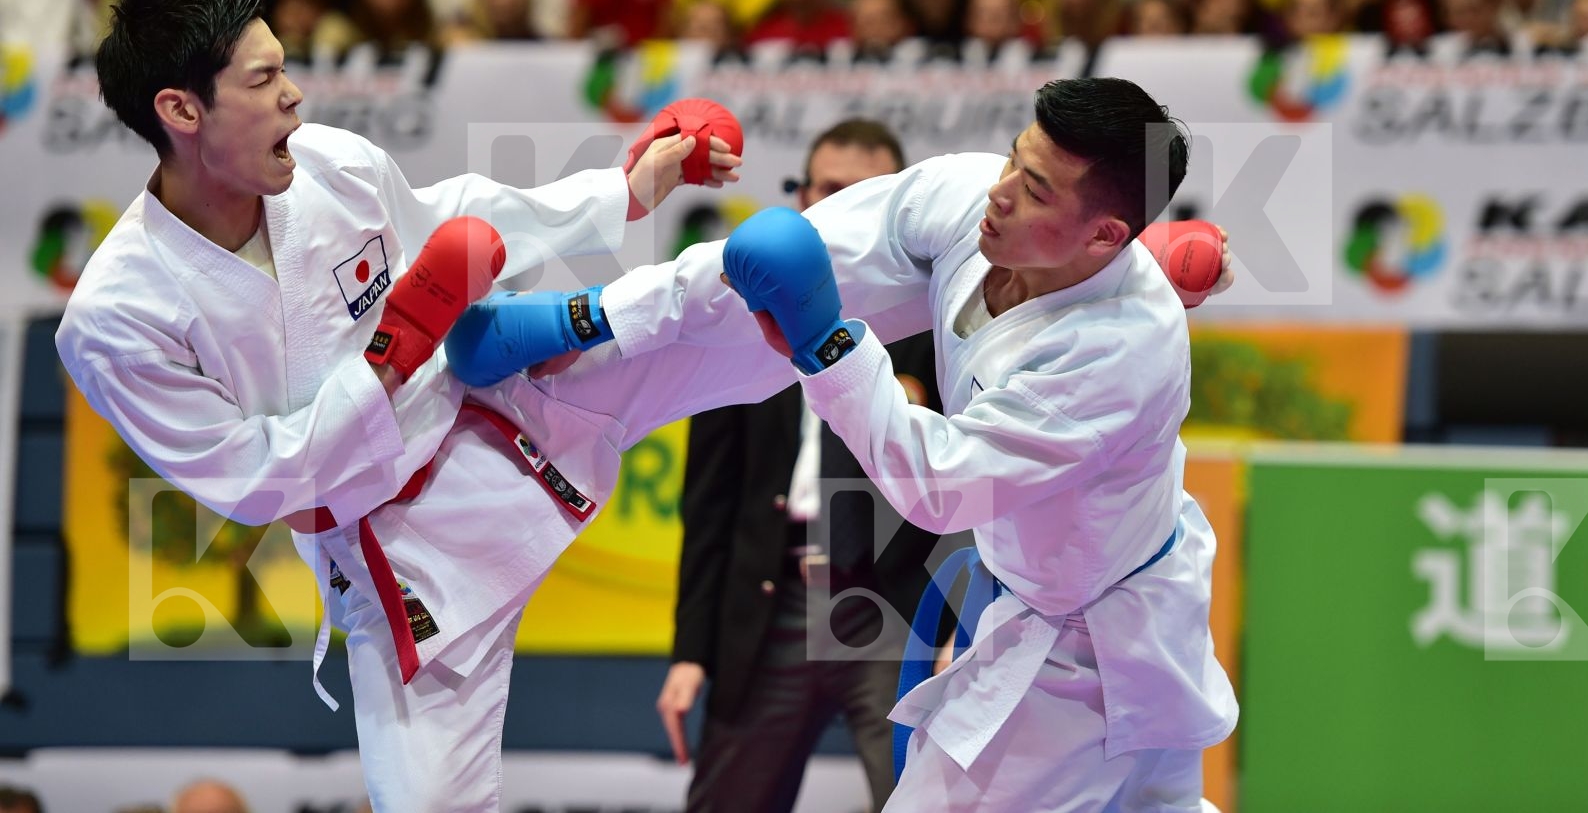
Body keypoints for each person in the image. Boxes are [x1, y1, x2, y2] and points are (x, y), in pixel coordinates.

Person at [53, 0, 743, 813]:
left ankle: (904, 231)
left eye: (284, 69)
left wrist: (620, 193)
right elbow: (252, 480)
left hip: (497, 415)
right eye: (263, 80)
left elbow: (456, 214)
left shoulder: (331, 166)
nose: (295, 96)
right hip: (395, 552)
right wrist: (392, 352)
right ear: (181, 111)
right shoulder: (116, 317)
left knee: (726, 301)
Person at [448, 76, 1241, 811]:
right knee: (774, 265)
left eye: (1033, 190)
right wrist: (591, 319)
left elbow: (941, 485)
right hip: (1099, 598)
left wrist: (828, 345)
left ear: (1105, 235)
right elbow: (792, 250)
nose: (997, 195)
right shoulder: (973, 202)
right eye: (1014, 160)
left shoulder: (1117, 356)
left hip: (1085, 652)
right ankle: (576, 334)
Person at [661, 120, 949, 813]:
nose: (833, 208)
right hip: (773, 594)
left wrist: (956, 635)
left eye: (858, 193)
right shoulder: (741, 311)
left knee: (935, 804)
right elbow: (710, 503)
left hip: (893, 603)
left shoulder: (937, 320)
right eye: (821, 189)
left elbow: (977, 487)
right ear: (801, 195)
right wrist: (690, 651)